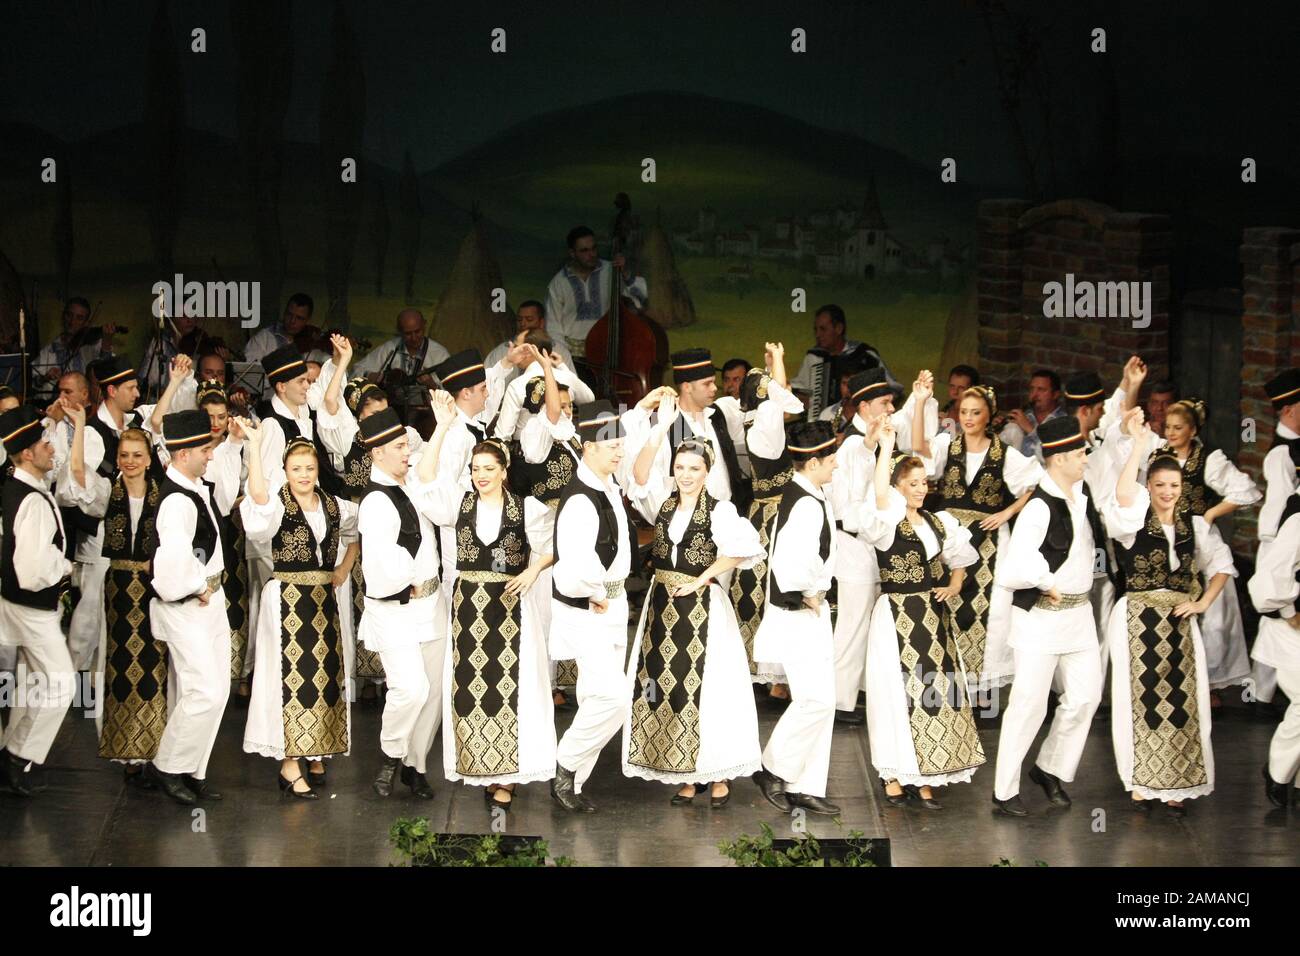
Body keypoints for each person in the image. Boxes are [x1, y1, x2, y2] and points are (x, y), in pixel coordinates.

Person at [414, 404, 557, 811]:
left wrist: (532, 572)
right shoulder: (459, 504)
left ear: (503, 470)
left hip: (510, 605)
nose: (480, 475)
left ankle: (508, 776)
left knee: (512, 687)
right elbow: (425, 478)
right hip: (468, 609)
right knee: (472, 689)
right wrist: (441, 427)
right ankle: (482, 765)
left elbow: (550, 548)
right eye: (476, 468)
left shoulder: (526, 507)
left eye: (488, 468)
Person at [625, 393, 764, 807]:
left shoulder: (718, 511)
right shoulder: (663, 504)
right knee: (668, 689)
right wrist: (662, 430)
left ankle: (717, 774)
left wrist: (703, 578)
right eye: (680, 467)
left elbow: (745, 548)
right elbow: (639, 476)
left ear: (707, 472)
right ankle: (686, 771)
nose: (685, 475)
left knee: (710, 689)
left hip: (702, 609)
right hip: (663, 607)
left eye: (693, 468)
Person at [990, 414, 1110, 817]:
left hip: (1079, 617)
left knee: (1086, 696)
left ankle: (1049, 768)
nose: (1085, 460)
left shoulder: (1083, 497)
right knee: (1029, 704)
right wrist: (1046, 581)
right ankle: (1004, 790)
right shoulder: (1040, 507)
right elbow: (1014, 565)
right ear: (1058, 459)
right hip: (1042, 617)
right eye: (1079, 453)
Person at [861, 420, 984, 809]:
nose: (920, 489)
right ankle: (895, 772)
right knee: (895, 693)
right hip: (896, 613)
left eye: (924, 483)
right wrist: (885, 448)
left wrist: (955, 584)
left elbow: (961, 557)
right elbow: (879, 494)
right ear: (898, 486)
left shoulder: (937, 521)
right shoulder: (885, 522)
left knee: (933, 690)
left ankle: (927, 769)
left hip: (932, 617)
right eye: (912, 483)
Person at [1105, 443, 1233, 814]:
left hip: (1179, 623)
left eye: (1173, 486)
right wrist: (1135, 447)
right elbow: (1123, 494)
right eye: (1159, 485)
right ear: (1150, 486)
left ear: (1182, 488)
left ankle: (1177, 782)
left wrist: (1203, 602)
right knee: (1140, 703)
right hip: (1136, 620)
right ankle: (1141, 783)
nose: (1167, 493)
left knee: (1180, 702)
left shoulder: (1195, 525)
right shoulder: (1133, 522)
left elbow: (1222, 565)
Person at [239, 422, 358, 799]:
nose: (303, 476)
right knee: (287, 680)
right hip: (287, 599)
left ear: (317, 470)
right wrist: (255, 447)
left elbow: (357, 533)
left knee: (320, 677)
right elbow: (257, 501)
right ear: (286, 472)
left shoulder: (332, 505)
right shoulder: (276, 503)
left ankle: (314, 748)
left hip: (323, 600)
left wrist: (343, 567)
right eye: (296, 470)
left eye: (308, 468)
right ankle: (289, 764)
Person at [915, 382, 1040, 691]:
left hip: (989, 541)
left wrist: (1007, 512)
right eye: (964, 412)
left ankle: (982, 689)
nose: (968, 418)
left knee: (991, 610)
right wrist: (919, 404)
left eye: (976, 413)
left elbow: (1035, 483)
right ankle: (947, 683)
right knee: (948, 601)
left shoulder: (1003, 454)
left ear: (989, 416)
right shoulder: (950, 446)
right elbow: (921, 451)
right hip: (952, 537)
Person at [63, 418, 165, 786]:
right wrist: (77, 426)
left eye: (137, 455)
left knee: (156, 669)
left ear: (150, 458)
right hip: (120, 586)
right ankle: (128, 751)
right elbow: (77, 475)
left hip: (154, 587)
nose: (130, 461)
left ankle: (155, 748)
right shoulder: (109, 490)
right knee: (121, 664)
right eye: (124, 455)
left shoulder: (164, 493)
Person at [355, 407, 448, 799]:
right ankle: (391, 754)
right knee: (410, 689)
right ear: (377, 453)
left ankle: (415, 765)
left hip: (433, 602)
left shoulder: (414, 482)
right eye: (398, 447)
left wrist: (441, 429)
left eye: (407, 445)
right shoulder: (376, 501)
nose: (407, 452)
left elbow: (445, 515)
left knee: (433, 692)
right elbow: (380, 568)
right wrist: (410, 578)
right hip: (395, 609)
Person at [750, 420, 842, 816]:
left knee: (823, 700)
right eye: (832, 457)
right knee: (817, 701)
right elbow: (788, 565)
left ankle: (805, 784)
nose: (837, 463)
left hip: (810, 614)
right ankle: (772, 767)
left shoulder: (814, 492)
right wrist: (811, 593)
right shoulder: (804, 502)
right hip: (799, 614)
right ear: (815, 461)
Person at [143, 409, 234, 805]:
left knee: (220, 688)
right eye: (204, 449)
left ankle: (193, 769)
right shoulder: (176, 500)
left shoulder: (194, 487)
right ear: (182, 454)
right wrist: (197, 585)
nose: (209, 455)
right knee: (205, 690)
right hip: (188, 605)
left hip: (209, 601)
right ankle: (166, 765)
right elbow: (171, 561)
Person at [316, 373, 424, 702]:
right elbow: (330, 407)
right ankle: (367, 677)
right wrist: (343, 363)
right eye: (373, 414)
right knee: (366, 597)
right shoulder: (350, 438)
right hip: (363, 523)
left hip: (394, 522)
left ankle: (389, 678)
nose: (382, 419)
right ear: (360, 416)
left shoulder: (401, 442)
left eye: (385, 411)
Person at [549, 401, 635, 813]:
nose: (619, 452)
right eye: (611, 445)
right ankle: (564, 766)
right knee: (614, 698)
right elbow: (573, 558)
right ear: (587, 448)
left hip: (610, 605)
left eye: (620, 443)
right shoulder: (582, 498)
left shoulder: (607, 485)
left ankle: (575, 782)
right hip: (590, 608)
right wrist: (596, 593)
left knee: (594, 694)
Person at [0, 405, 75, 797]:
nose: (51, 447)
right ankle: (18, 755)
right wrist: (64, 568)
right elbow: (30, 571)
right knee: (62, 684)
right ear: (27, 453)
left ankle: (11, 755)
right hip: (33, 609)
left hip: (18, 605)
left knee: (33, 686)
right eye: (44, 442)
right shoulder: (31, 501)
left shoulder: (19, 488)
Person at [729, 349, 804, 696]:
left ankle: (769, 670)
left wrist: (775, 363)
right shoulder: (766, 423)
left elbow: (780, 395)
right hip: (776, 516)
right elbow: (791, 403)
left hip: (764, 512)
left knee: (760, 587)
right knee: (775, 587)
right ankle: (776, 676)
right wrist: (778, 365)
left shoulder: (756, 420)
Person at [428, 347, 513, 598]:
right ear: (466, 393)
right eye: (483, 389)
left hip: (481, 523)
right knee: (459, 588)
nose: (488, 394)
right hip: (460, 528)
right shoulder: (455, 435)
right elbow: (445, 487)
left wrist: (506, 362)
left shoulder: (472, 426)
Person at [622, 347, 750, 511]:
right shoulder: (667, 426)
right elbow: (640, 476)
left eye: (713, 381)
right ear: (687, 387)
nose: (714, 388)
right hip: (689, 528)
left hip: (728, 517)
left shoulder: (719, 413)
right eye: (707, 383)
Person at [1247, 482, 1300, 807]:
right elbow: (1267, 578)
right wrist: (1290, 611)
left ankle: (1292, 778)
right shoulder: (1297, 520)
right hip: (1289, 629)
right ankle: (1278, 772)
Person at [544, 226, 648, 360]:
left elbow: (641, 298)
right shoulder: (558, 283)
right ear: (572, 253)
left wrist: (625, 273)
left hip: (609, 349)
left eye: (594, 248)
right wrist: (564, 359)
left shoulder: (611, 271)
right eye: (584, 251)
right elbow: (553, 327)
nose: (591, 254)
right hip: (574, 356)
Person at [789, 304, 897, 422]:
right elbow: (799, 390)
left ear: (839, 328)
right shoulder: (814, 357)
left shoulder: (865, 355)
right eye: (816, 330)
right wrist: (805, 401)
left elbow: (893, 388)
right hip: (825, 421)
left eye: (823, 329)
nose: (818, 335)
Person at [492, 335, 593, 443]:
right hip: (564, 451)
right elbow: (589, 399)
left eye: (517, 347)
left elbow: (503, 434)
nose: (512, 351)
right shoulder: (566, 377)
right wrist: (562, 367)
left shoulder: (517, 384)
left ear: (530, 351)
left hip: (526, 452)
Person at [351, 308, 451, 409]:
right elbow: (356, 371)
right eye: (408, 333)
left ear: (424, 325)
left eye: (417, 331)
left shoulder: (440, 354)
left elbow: (453, 395)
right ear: (400, 331)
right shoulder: (390, 348)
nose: (414, 337)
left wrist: (433, 386)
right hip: (392, 411)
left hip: (429, 413)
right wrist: (369, 375)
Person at [32, 297, 116, 403]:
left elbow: (108, 373)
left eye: (79, 318)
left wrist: (107, 343)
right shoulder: (49, 351)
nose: (72, 322)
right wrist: (45, 377)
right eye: (69, 315)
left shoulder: (93, 347)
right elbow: (32, 383)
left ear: (87, 323)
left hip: (88, 409)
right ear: (63, 316)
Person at [485, 300, 574, 379]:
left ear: (541, 322)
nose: (523, 323)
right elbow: (485, 385)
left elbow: (573, 389)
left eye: (529, 319)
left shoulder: (559, 351)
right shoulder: (501, 351)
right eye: (519, 320)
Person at [1000, 368, 1066, 462]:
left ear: (1055, 394)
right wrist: (998, 430)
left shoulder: (1064, 422)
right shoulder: (1023, 417)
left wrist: (1031, 430)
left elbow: (1056, 458)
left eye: (1041, 390)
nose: (1034, 395)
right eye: (1031, 389)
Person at [244, 293, 314, 365]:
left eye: (299, 318)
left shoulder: (311, 343)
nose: (292, 321)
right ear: (284, 312)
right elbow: (250, 368)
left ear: (307, 320)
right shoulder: (264, 337)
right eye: (289, 314)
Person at [938, 365, 980, 438]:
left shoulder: (978, 415)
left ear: (972, 389)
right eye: (952, 386)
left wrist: (949, 426)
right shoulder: (945, 410)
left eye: (961, 388)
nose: (955, 391)